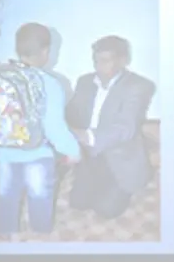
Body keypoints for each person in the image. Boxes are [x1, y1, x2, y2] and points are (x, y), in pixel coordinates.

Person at [0, 23, 81, 238]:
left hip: (6, 151)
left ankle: (5, 229)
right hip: (38, 154)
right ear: (45, 51)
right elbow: (55, 127)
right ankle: (40, 231)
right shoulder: (49, 83)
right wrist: (72, 150)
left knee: (7, 193)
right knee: (40, 195)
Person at [66, 35, 156, 218]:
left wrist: (85, 136)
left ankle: (130, 182)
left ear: (123, 61)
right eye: (96, 61)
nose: (99, 66)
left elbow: (125, 128)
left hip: (120, 157)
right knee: (78, 203)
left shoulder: (139, 86)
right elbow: (72, 112)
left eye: (105, 60)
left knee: (106, 210)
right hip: (90, 155)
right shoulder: (85, 82)